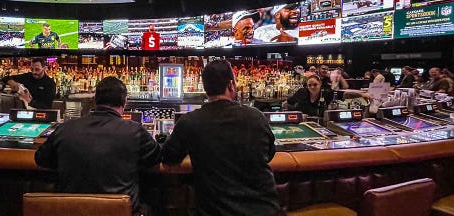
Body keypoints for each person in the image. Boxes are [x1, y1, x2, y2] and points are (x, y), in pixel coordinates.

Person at [161, 60, 285, 216]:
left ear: (206, 89)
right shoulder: (256, 117)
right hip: (266, 211)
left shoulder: (189, 122)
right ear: (231, 85)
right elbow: (269, 153)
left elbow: (167, 156)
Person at [34, 77, 161, 215]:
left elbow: (41, 158)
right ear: (124, 102)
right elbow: (156, 157)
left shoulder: (65, 129)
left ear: (95, 100)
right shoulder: (135, 130)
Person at [285, 75, 371, 117]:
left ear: (320, 83)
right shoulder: (301, 92)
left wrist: (362, 94)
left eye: (315, 84)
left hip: (321, 123)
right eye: (309, 85)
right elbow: (287, 103)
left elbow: (345, 94)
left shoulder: (326, 93)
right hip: (303, 123)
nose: (312, 87)